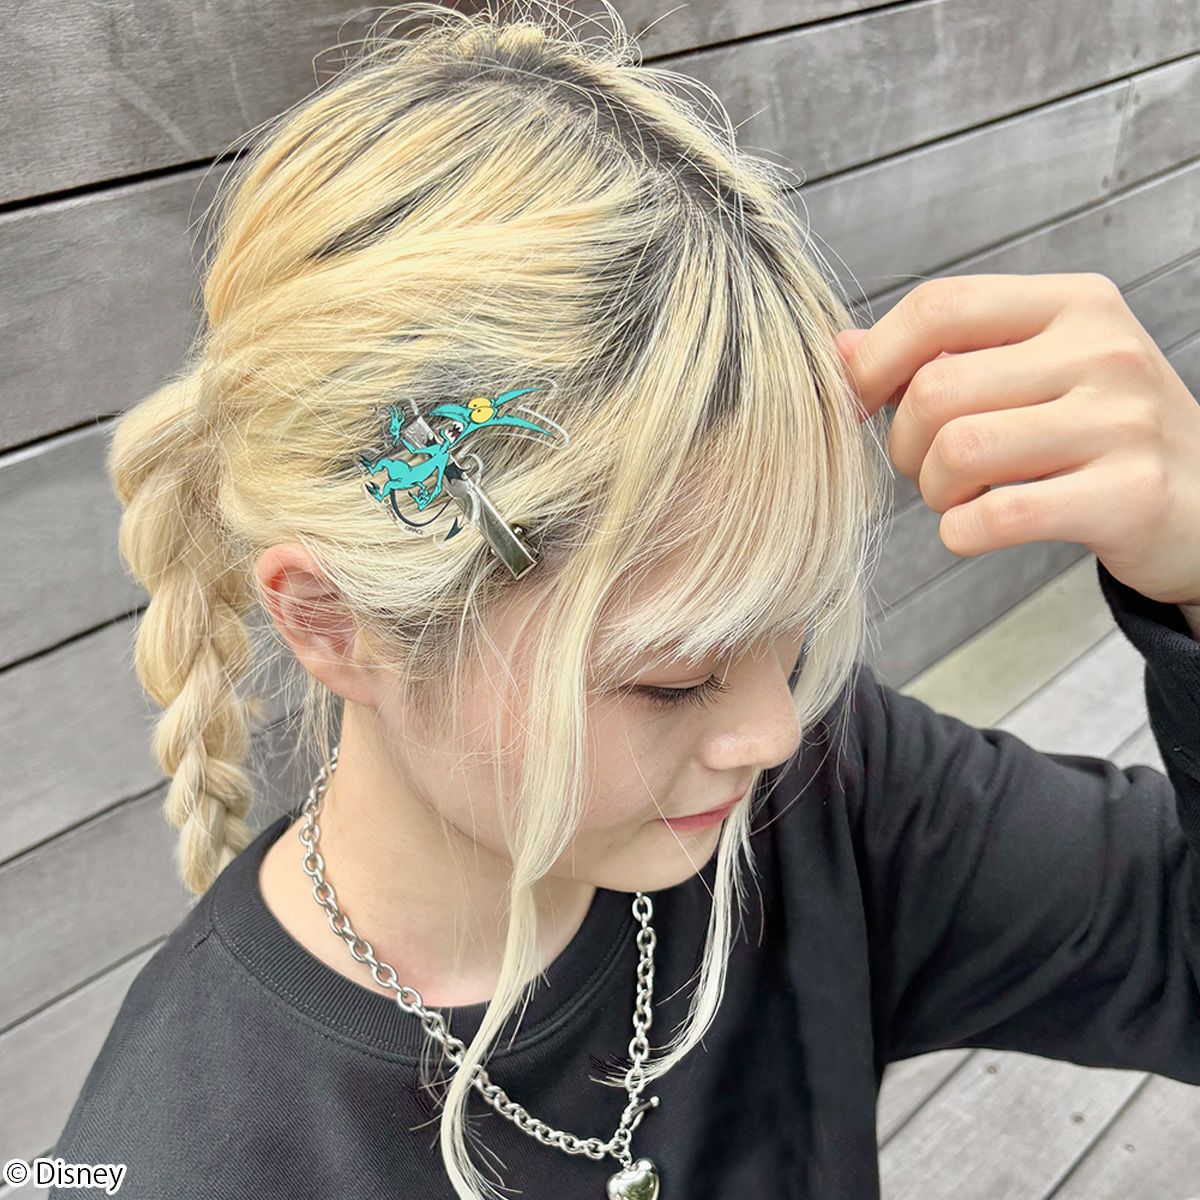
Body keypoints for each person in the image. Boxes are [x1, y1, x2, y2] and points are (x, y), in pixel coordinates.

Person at [45, 3, 1200, 1198]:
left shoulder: (826, 803)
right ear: (333, 624)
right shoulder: (175, 1159)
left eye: (792, 632)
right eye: (673, 677)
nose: (775, 728)